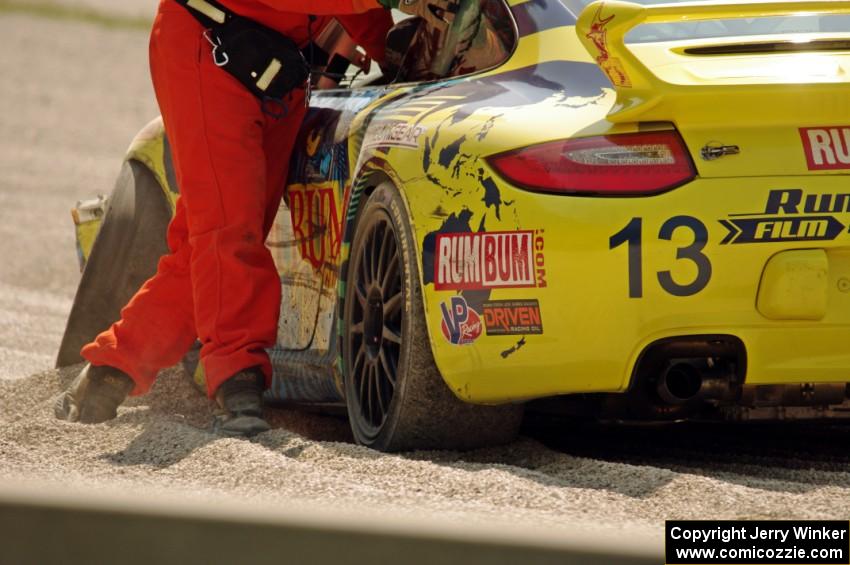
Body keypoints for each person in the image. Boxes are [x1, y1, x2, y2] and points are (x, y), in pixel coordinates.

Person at [55, 0, 456, 437]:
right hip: (209, 46)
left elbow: (367, 18)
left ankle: (111, 369)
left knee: (214, 237)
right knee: (228, 230)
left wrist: (403, 49)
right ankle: (237, 384)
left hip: (277, 67)